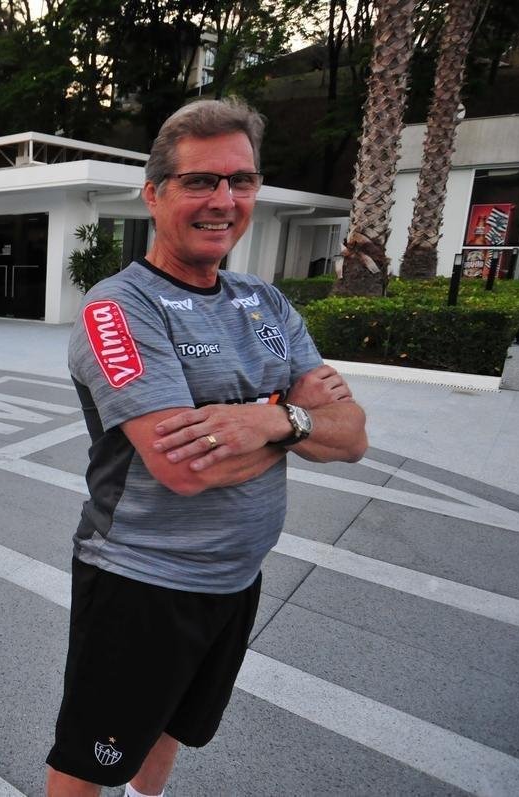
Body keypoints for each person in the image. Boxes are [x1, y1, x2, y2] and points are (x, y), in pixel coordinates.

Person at [46, 98, 368, 797]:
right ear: (155, 193)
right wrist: (296, 413)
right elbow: (182, 466)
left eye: (241, 180)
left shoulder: (267, 302)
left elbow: (355, 434)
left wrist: (269, 421)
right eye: (200, 181)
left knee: (173, 726)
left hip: (235, 577)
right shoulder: (120, 307)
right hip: (141, 581)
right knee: (89, 757)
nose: (224, 200)